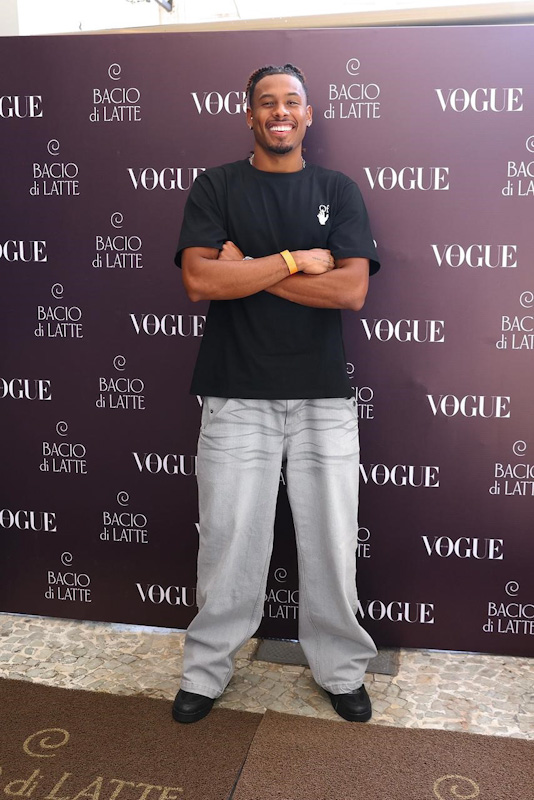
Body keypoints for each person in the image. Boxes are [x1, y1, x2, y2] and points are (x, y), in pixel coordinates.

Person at [172, 63, 380, 725]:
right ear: (251, 115)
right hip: (235, 392)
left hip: (322, 397)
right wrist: (294, 261)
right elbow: (201, 281)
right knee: (228, 540)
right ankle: (206, 672)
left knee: (332, 541)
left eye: (292, 101)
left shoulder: (337, 189)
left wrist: (248, 270)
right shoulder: (216, 186)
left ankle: (342, 670)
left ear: (308, 115)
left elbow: (350, 290)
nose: (280, 111)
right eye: (267, 102)